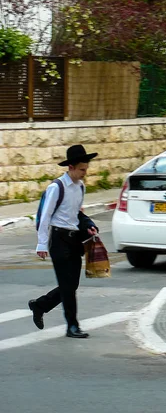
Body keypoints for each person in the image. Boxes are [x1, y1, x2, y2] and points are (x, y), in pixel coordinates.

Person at [28, 144, 99, 338]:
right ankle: (72, 326)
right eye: (82, 169)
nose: (85, 173)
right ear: (71, 167)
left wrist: (88, 224)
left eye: (86, 169)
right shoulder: (56, 187)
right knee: (68, 287)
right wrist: (41, 244)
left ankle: (40, 305)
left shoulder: (80, 187)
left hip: (75, 240)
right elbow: (44, 216)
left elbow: (77, 213)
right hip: (58, 240)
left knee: (72, 285)